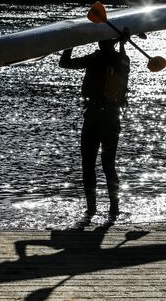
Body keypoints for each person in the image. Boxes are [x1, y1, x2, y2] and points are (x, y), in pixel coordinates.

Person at [59, 33, 130, 223]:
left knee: (91, 165)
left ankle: (93, 210)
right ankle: (111, 210)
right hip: (109, 119)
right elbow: (65, 64)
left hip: (95, 118)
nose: (99, 43)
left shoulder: (95, 59)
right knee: (107, 165)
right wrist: (122, 43)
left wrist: (72, 42)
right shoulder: (120, 58)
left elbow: (64, 62)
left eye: (101, 40)